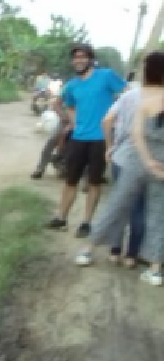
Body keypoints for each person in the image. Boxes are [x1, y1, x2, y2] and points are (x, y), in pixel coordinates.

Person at [74, 50, 164, 286]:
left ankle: (88, 250)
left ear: (148, 70)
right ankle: (153, 269)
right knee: (157, 215)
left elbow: (134, 134)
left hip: (134, 160)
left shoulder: (135, 96)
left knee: (116, 206)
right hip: (161, 165)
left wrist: (144, 160)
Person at [47, 43, 128, 238]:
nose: (78, 60)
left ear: (91, 59)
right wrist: (69, 120)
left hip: (101, 138)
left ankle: (86, 222)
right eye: (75, 57)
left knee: (94, 182)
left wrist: (118, 118)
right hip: (78, 138)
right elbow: (63, 103)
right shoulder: (72, 85)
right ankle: (61, 218)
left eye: (82, 56)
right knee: (70, 180)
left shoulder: (106, 75)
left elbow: (127, 94)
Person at [31, 95, 72, 179]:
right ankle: (41, 168)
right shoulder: (70, 88)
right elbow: (56, 104)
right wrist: (63, 116)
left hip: (81, 122)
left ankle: (62, 164)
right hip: (66, 121)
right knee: (51, 143)